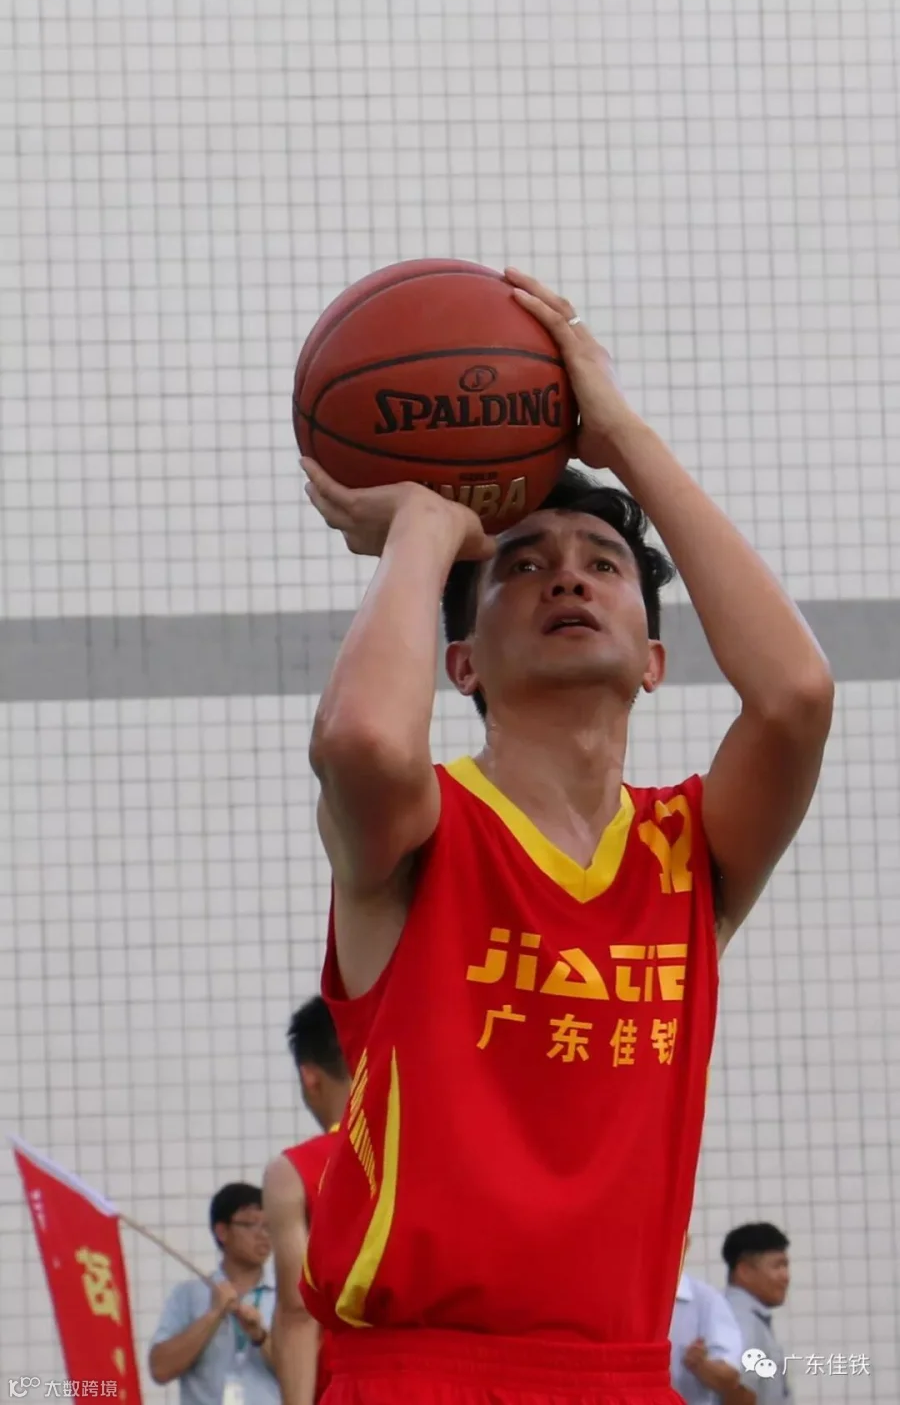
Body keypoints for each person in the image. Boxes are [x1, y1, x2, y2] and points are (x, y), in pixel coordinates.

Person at [298, 268, 833, 1405]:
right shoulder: (423, 827)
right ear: (461, 663)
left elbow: (795, 696)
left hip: (620, 1374)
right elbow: (361, 740)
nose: (568, 580)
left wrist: (618, 432)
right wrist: (425, 526)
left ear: (654, 658)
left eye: (604, 565)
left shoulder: (690, 851)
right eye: (525, 565)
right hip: (422, 1371)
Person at [264, 998, 351, 1405]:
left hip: (351, 1384)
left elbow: (299, 1312)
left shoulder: (296, 1172)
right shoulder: (441, 1156)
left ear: (309, 1076)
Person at [148, 1182, 278, 1405]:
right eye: (251, 1224)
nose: (263, 1234)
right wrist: (213, 1314)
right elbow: (160, 1369)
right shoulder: (188, 1295)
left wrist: (261, 1337)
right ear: (222, 1231)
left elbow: (306, 1373)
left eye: (269, 1225)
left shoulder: (287, 1296)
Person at [669, 1237, 752, 1405]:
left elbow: (730, 1378)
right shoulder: (622, 1298)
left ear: (685, 1244)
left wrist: (701, 1365)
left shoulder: (706, 1300)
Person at [723, 1223, 794, 1402]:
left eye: (785, 1266)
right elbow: (739, 1394)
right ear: (744, 1271)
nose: (785, 1276)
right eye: (777, 1266)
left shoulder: (738, 1315)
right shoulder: (741, 1321)